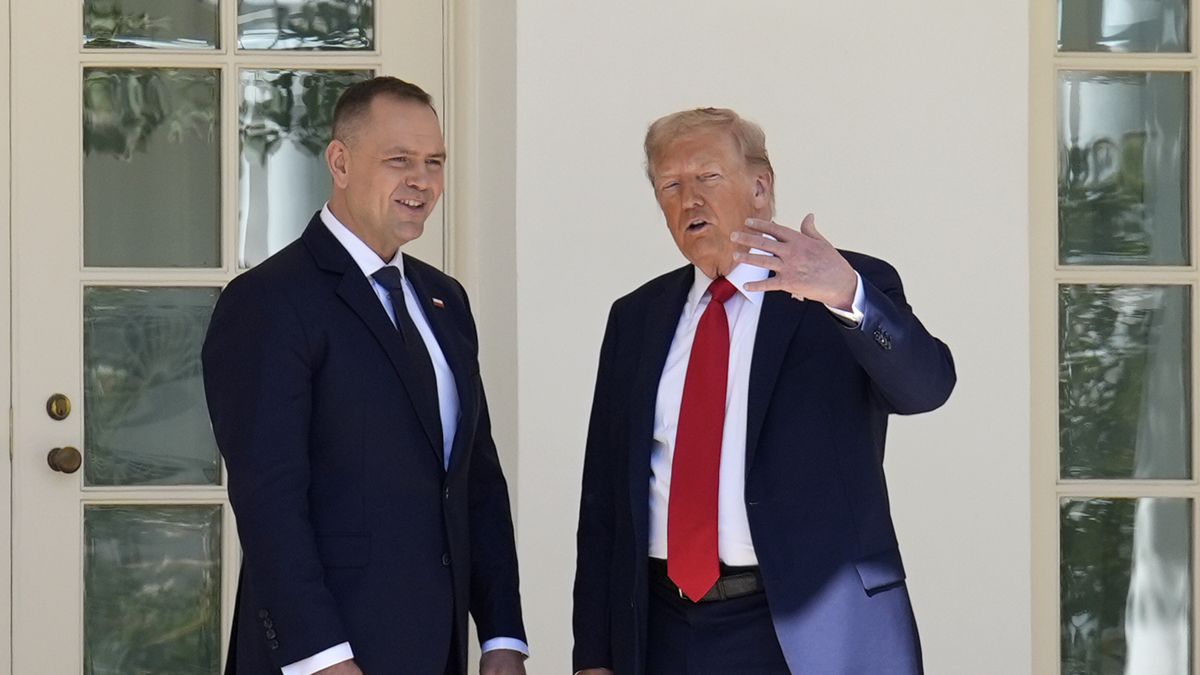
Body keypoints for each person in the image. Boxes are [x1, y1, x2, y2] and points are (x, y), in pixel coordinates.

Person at [572, 108, 956, 674]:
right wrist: (594, 655)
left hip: (814, 631)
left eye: (708, 177)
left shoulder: (842, 289)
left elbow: (927, 387)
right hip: (663, 630)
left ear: (760, 187)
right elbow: (604, 497)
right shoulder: (636, 318)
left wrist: (846, 295)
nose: (689, 199)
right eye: (670, 186)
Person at [203, 76, 527, 675]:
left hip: (437, 649)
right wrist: (321, 658)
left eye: (434, 162)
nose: (421, 180)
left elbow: (476, 481)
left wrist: (502, 635)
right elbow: (269, 503)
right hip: (326, 655)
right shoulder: (268, 301)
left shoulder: (446, 300)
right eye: (398, 160)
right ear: (340, 162)